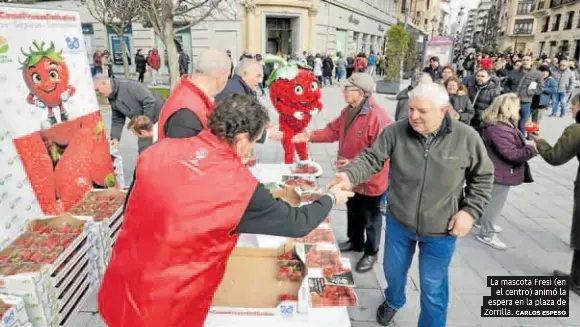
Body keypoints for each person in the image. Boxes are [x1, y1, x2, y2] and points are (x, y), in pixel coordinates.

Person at [97, 94, 355, 327]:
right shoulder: (239, 186)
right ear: (242, 140)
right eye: (253, 143)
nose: (251, 149)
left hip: (121, 282)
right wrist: (331, 198)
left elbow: (134, 205)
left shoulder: (157, 151)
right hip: (167, 306)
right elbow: (297, 222)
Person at [327, 82, 494, 327]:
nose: (413, 116)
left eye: (422, 111)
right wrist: (349, 175)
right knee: (393, 272)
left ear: (443, 110)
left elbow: (483, 176)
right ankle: (394, 300)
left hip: (441, 229)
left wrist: (469, 212)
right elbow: (372, 157)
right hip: (399, 222)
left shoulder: (466, 138)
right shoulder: (396, 131)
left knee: (433, 288)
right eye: (411, 109)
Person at [292, 73, 392, 273]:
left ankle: (371, 252)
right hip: (350, 178)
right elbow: (332, 131)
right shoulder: (349, 111)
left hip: (371, 181)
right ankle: (355, 242)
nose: (343, 91)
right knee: (353, 211)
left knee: (371, 218)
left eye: (348, 88)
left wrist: (353, 164)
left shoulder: (378, 118)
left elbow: (382, 155)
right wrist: (309, 135)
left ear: (362, 93)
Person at [531, 93, 580, 296]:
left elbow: (555, 157)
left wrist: (540, 142)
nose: (571, 109)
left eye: (574, 105)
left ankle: (577, 280)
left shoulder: (576, 130)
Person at [476, 94, 537, 250]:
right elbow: (511, 153)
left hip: (500, 169)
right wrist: (532, 149)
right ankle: (486, 233)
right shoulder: (498, 128)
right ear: (508, 108)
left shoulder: (504, 124)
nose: (519, 109)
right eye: (516, 106)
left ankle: (481, 222)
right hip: (500, 171)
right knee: (494, 204)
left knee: (489, 200)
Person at [215, 58, 282, 142]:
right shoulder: (236, 92)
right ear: (245, 73)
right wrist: (266, 134)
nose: (259, 81)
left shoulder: (239, 88)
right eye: (258, 76)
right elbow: (235, 127)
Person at [93, 74, 164, 153]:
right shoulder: (112, 98)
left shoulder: (130, 86)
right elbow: (117, 119)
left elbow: (150, 101)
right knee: (144, 151)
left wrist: (144, 124)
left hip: (159, 118)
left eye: (98, 89)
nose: (98, 93)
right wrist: (115, 137)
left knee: (163, 148)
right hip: (143, 124)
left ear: (104, 83)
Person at [502, 55, 544, 136]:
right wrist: (509, 92)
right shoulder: (514, 72)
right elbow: (505, 84)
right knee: (511, 120)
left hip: (526, 101)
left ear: (531, 61)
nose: (525, 61)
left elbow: (541, 88)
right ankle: (510, 137)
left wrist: (530, 92)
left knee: (523, 122)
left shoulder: (537, 73)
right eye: (523, 60)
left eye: (527, 60)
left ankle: (522, 139)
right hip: (513, 100)